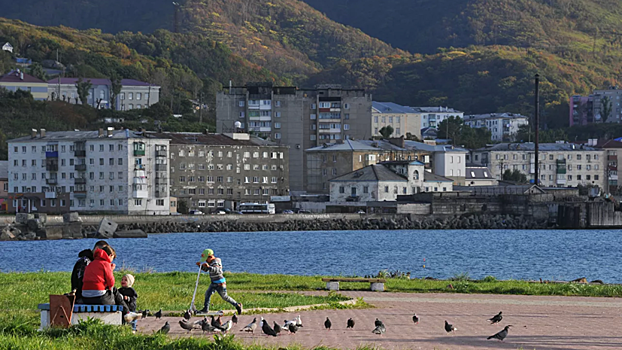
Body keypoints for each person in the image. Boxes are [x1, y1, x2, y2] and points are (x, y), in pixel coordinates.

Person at [196, 249, 242, 315]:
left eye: (206, 259)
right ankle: (205, 309)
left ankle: (237, 305)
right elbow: (207, 270)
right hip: (213, 283)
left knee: (225, 297)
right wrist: (200, 266)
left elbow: (216, 270)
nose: (206, 260)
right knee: (207, 294)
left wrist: (208, 267)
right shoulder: (210, 262)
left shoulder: (217, 261)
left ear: (210, 257)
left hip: (220, 283)